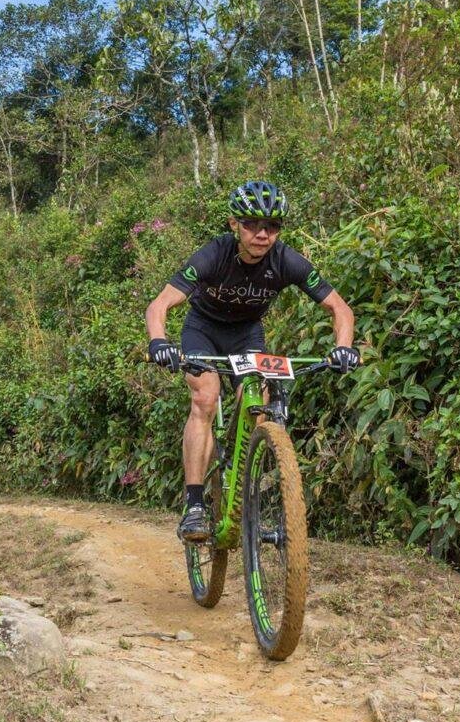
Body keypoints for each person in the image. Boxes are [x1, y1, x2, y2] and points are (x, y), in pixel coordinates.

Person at [144, 180, 359, 542]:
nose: (262, 234)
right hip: (204, 332)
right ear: (234, 225)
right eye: (252, 225)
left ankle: (249, 498)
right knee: (205, 398)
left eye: (272, 226)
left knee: (259, 404)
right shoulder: (213, 255)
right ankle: (194, 504)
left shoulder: (287, 260)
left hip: (246, 335)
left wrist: (343, 347)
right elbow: (159, 305)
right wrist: (159, 342)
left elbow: (340, 309)